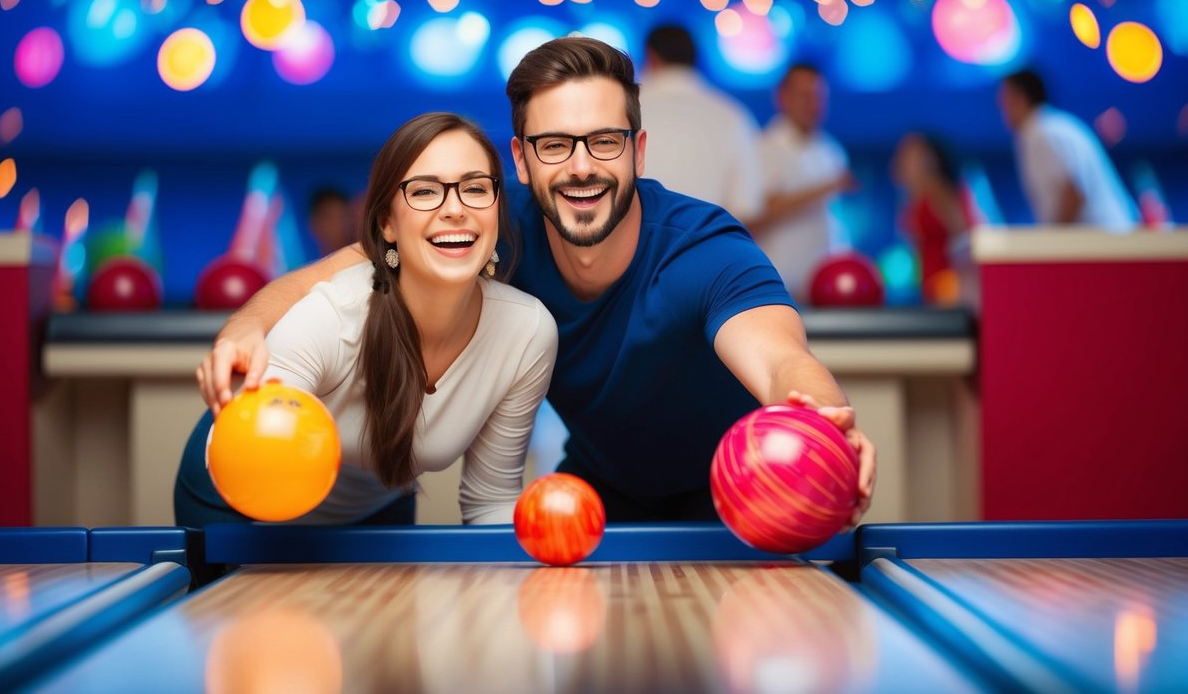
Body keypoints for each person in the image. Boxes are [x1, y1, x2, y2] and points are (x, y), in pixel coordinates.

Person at [196, 37, 876, 524]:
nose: (580, 166)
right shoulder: (495, 227)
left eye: (603, 142)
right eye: (554, 145)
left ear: (636, 152)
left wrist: (823, 423)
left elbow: (782, 358)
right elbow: (349, 268)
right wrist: (247, 326)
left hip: (738, 498)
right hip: (599, 490)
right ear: (521, 160)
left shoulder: (703, 249)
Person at [176, 112, 558, 526]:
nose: (455, 209)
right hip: (241, 501)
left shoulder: (527, 330)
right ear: (386, 224)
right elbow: (252, 455)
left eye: (476, 188)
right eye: (426, 191)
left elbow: (491, 502)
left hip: (377, 508)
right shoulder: (331, 317)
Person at [745, 63, 855, 303]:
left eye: (818, 97)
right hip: (781, 284)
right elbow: (759, 212)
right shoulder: (765, 147)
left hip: (827, 283)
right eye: (804, 96)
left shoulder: (831, 150)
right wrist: (827, 186)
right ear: (782, 98)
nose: (813, 104)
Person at [637, 23, 764, 223]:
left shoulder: (622, 109)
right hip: (707, 248)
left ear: (651, 56)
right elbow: (746, 207)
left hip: (632, 250)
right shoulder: (733, 116)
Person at [997, 69, 1138, 229]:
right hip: (1108, 237)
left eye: (1004, 98)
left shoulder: (1042, 132)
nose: (1001, 106)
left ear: (1020, 98)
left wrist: (1053, 243)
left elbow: (1074, 192)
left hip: (1102, 243)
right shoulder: (1052, 126)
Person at [890, 131, 971, 304]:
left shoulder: (939, 190)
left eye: (911, 154)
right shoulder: (914, 196)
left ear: (928, 159)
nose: (903, 159)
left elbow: (964, 235)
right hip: (930, 283)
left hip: (950, 284)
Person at [306, 186, 357, 258]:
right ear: (315, 225)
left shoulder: (367, 259)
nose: (339, 225)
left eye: (342, 217)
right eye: (331, 219)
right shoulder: (311, 268)